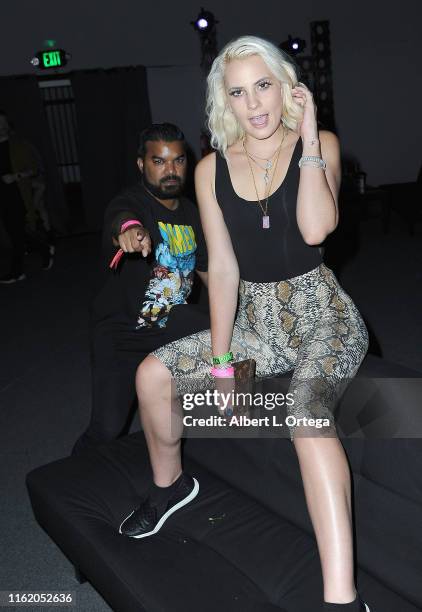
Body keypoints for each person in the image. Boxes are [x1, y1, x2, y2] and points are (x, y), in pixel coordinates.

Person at [118, 38, 372, 611]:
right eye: (238, 91)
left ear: (287, 87)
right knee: (152, 374)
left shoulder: (322, 144)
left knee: (306, 412)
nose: (254, 103)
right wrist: (222, 360)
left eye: (264, 85)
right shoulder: (209, 169)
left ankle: (343, 598)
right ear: (222, 102)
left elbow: (314, 230)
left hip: (322, 316)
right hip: (255, 319)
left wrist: (308, 137)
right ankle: (171, 489)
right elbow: (225, 268)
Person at [72, 123, 209, 455]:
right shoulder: (131, 201)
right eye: (159, 161)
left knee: (228, 337)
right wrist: (130, 230)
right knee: (108, 427)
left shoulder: (193, 213)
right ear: (141, 164)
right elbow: (122, 217)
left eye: (177, 161)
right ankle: (75, 472)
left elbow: (209, 271)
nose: (170, 170)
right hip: (123, 331)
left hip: (173, 324)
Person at [0, 110, 53, 283]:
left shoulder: (19, 145)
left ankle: (17, 272)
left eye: (3, 123)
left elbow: (34, 169)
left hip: (18, 195)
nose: (1, 126)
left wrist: (16, 176)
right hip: (3, 196)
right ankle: (44, 249)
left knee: (17, 234)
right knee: (17, 233)